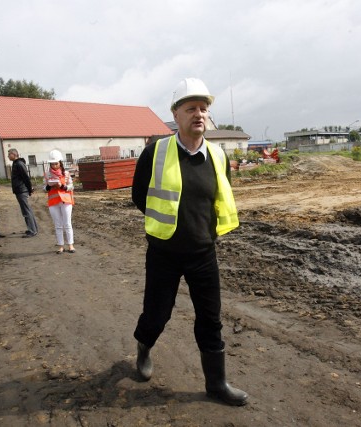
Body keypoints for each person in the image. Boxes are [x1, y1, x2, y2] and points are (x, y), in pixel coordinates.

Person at [131, 78, 247, 406]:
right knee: (157, 315)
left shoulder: (218, 156)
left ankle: (217, 385)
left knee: (211, 319)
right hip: (164, 251)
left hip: (203, 253)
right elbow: (139, 194)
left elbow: (219, 197)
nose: (199, 114)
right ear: (176, 114)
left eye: (204, 108)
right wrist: (166, 223)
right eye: (191, 108)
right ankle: (143, 349)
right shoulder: (155, 151)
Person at [44, 150, 76, 254]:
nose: (54, 165)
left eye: (56, 163)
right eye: (52, 164)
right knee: (58, 225)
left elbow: (71, 186)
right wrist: (49, 186)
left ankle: (71, 245)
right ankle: (61, 246)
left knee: (67, 223)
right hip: (53, 202)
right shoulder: (47, 175)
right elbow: (43, 188)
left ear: (60, 162)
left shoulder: (66, 174)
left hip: (66, 201)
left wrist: (63, 186)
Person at [7, 148, 39, 237]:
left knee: (26, 211)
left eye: (9, 154)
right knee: (27, 210)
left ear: (14, 154)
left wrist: (30, 189)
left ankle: (32, 230)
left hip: (22, 190)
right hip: (20, 190)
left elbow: (26, 177)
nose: (8, 156)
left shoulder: (19, 164)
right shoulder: (16, 163)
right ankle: (33, 228)